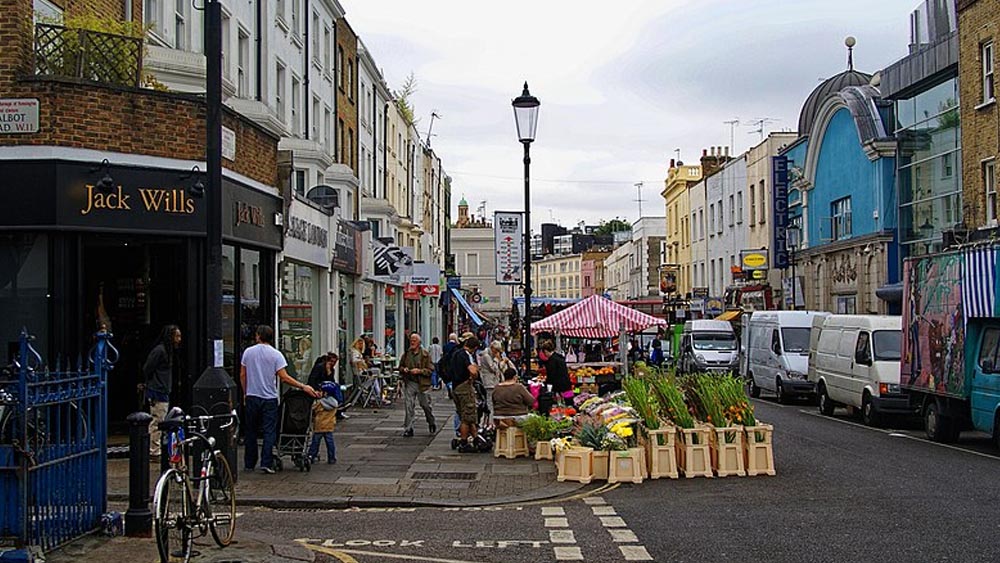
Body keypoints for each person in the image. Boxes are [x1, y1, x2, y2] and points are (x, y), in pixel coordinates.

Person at [241, 325, 319, 474]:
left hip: (252, 396)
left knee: (250, 430)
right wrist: (303, 386)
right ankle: (266, 462)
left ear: (258, 336)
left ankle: (249, 463)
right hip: (269, 397)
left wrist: (245, 392)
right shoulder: (276, 355)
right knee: (269, 431)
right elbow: (283, 377)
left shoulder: (248, 352)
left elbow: (242, 375)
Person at [143, 325, 181, 459]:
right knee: (157, 421)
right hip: (157, 390)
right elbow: (147, 368)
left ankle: (156, 448)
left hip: (162, 389)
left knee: (161, 419)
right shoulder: (160, 351)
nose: (179, 340)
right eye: (176, 336)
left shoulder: (167, 351)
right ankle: (154, 450)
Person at [398, 333, 436, 437]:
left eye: (414, 340)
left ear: (419, 342)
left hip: (422, 384)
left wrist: (419, 371)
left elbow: (430, 370)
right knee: (409, 405)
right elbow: (400, 366)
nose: (412, 341)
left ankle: (431, 421)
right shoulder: (406, 354)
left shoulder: (425, 355)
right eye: (411, 340)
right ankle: (408, 428)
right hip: (410, 382)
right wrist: (404, 369)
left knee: (425, 405)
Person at [451, 335, 481, 452]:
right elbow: (472, 371)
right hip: (464, 387)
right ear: (474, 348)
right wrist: (475, 374)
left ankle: (476, 438)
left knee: (467, 415)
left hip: (455, 387)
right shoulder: (466, 355)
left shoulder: (456, 354)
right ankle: (463, 442)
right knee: (467, 417)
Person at [478, 341, 511, 422]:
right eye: (496, 351)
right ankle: (490, 421)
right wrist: (496, 359)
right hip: (489, 382)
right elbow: (494, 368)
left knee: (493, 402)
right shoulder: (486, 356)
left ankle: (491, 420)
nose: (496, 353)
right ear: (492, 348)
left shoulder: (489, 355)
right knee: (490, 403)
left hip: (493, 382)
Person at [308, 382, 338, 464]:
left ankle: (311, 455)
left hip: (319, 425)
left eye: (321, 391)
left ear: (325, 393)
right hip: (329, 425)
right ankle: (332, 458)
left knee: (315, 442)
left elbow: (313, 409)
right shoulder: (334, 403)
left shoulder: (320, 403)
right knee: (330, 443)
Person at [537, 340, 572, 406]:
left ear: (546, 351)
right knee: (569, 401)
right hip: (567, 384)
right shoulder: (560, 357)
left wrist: (547, 384)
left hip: (558, 386)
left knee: (560, 404)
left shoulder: (551, 361)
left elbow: (551, 375)